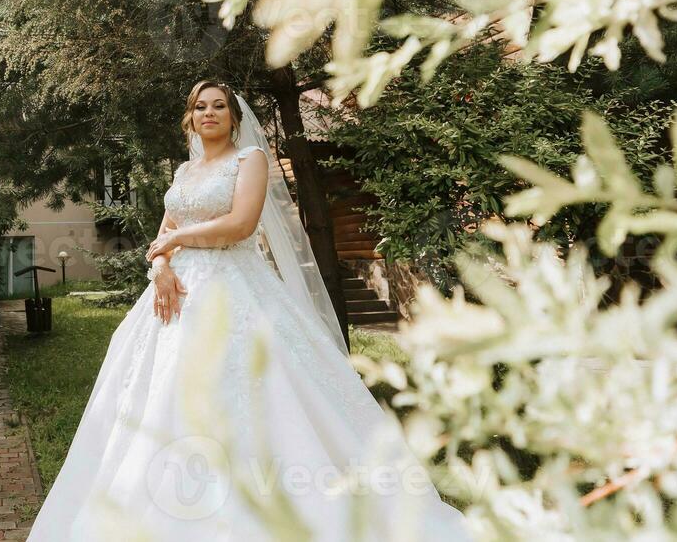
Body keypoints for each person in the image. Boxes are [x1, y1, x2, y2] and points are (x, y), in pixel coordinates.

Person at [28, 81, 473, 540]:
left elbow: (239, 226)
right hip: (174, 293)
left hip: (233, 287)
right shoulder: (184, 171)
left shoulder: (250, 161)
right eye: (200, 107)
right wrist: (161, 266)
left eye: (219, 106)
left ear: (233, 118)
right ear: (190, 118)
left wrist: (177, 241)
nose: (209, 113)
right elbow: (164, 230)